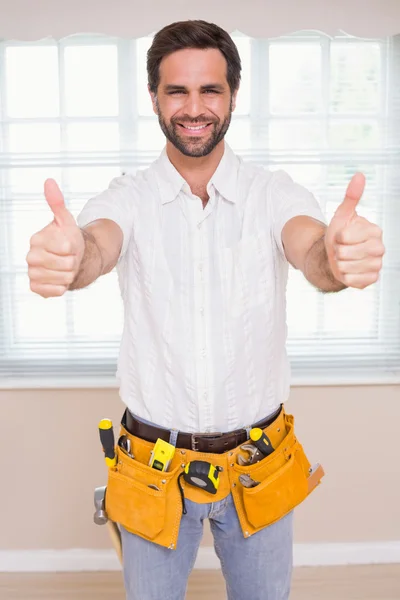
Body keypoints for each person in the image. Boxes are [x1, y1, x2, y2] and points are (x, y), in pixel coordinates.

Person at [26, 20, 385, 600]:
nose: (194, 108)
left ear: (233, 96)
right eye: (177, 91)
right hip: (151, 469)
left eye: (210, 90)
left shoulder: (274, 193)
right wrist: (71, 261)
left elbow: (311, 249)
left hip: (258, 464)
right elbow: (95, 246)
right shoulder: (128, 196)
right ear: (154, 98)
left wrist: (337, 261)